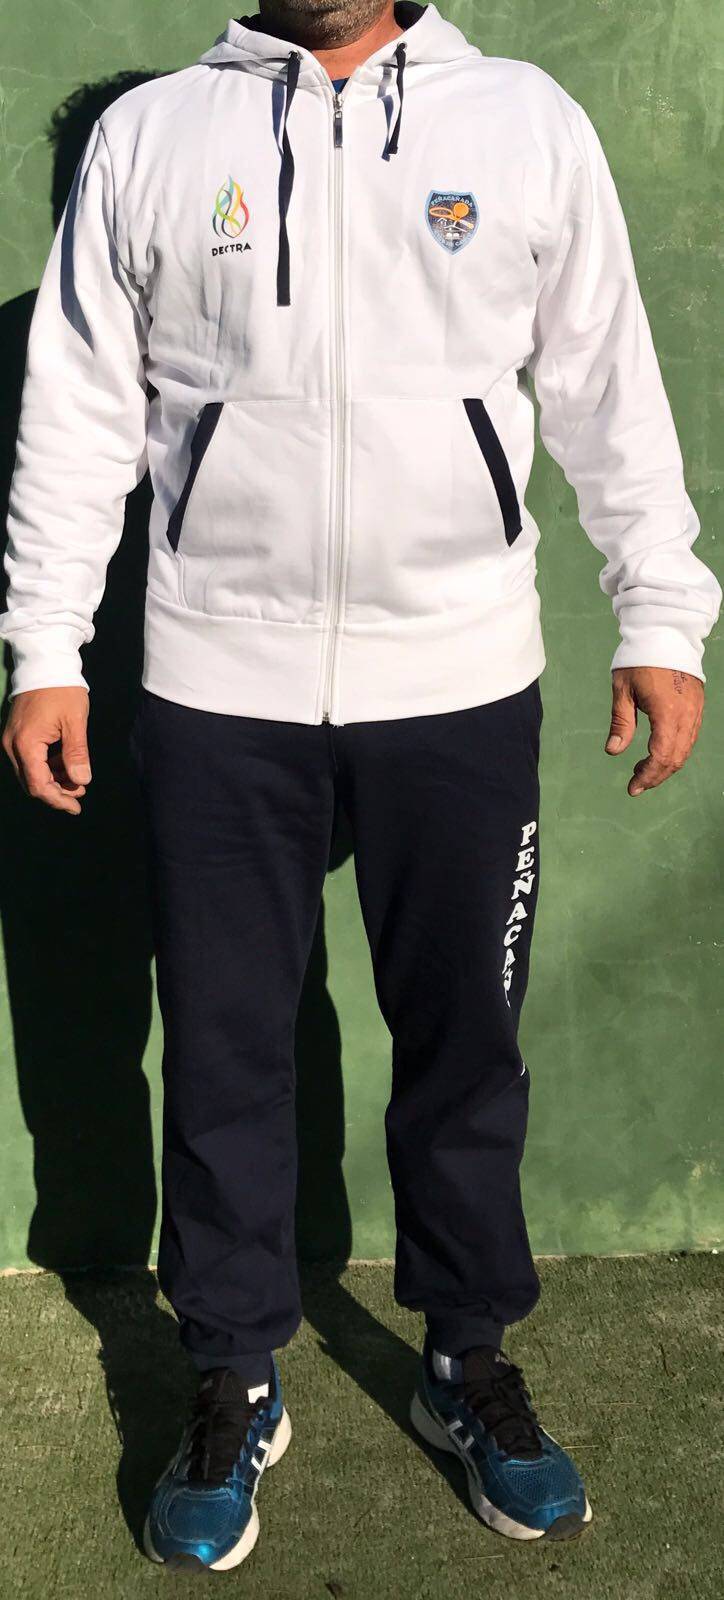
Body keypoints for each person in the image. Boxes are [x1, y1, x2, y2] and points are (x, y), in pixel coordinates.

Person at [1, 0, 720, 1573]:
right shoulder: (150, 139)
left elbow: (604, 378)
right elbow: (79, 409)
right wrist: (46, 645)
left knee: (464, 1041)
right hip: (218, 679)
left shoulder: (521, 120)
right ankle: (232, 1370)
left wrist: (660, 612)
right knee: (226, 1043)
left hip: (459, 678)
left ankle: (468, 1356)